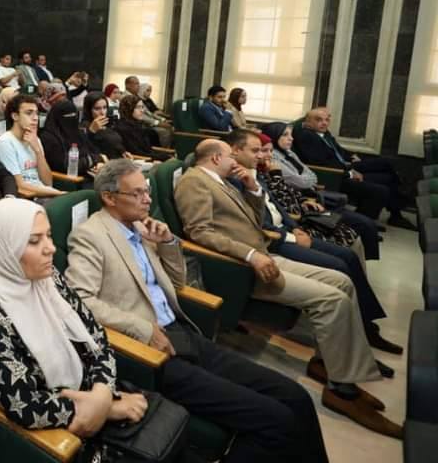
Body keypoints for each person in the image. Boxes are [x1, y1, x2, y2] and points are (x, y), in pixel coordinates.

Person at [67, 159, 330, 463]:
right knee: (275, 421)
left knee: (295, 396)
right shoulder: (91, 236)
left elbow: (178, 283)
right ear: (109, 197)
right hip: (150, 352)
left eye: (147, 191)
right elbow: (80, 301)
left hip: (183, 334)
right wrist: (142, 328)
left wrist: (167, 243)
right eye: (137, 193)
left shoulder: (140, 227)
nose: (148, 199)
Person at [174, 138, 400, 437]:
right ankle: (342, 391)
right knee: (332, 299)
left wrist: (253, 189)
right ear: (215, 158)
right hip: (243, 269)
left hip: (264, 253)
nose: (235, 161)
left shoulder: (223, 181)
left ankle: (328, 361)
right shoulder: (194, 182)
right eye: (230, 155)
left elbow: (254, 221)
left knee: (341, 281)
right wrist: (250, 255)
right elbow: (199, 232)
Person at [0, 198, 146, 453]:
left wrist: (103, 391)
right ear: (4, 249)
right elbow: (24, 404)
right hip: (63, 434)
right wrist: (105, 408)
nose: (51, 248)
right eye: (34, 241)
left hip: (97, 394)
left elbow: (97, 338)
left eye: (48, 236)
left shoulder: (48, 278)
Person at [231, 130, 400, 354]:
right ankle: (362, 327)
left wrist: (294, 227)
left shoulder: (256, 172)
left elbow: (281, 205)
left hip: (290, 227)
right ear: (235, 151)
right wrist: (292, 234)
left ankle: (363, 322)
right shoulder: (238, 179)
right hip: (275, 240)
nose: (262, 156)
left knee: (351, 248)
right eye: (257, 151)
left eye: (265, 151)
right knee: (341, 263)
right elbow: (259, 222)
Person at [263, 121, 381, 260]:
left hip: (309, 200)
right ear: (273, 137)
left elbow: (311, 175)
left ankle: (359, 264)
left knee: (364, 226)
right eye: (285, 135)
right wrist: (306, 184)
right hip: (303, 208)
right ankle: (353, 264)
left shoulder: (289, 153)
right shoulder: (273, 163)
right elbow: (301, 182)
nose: (291, 138)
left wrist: (307, 182)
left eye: (291, 134)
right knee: (362, 226)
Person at [293, 107, 411, 229]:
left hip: (344, 167)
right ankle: (365, 223)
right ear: (308, 122)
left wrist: (351, 156)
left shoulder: (323, 132)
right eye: (319, 120)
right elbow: (321, 163)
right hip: (335, 176)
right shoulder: (307, 136)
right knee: (383, 183)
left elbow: (337, 150)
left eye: (327, 120)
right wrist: (349, 172)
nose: (324, 123)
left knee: (388, 175)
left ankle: (388, 216)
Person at [0, 94, 64, 201]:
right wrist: (58, 193)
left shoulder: (35, 140)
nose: (35, 118)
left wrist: (37, 151)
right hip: (26, 199)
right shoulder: (5, 142)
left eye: (36, 113)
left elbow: (48, 182)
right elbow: (19, 185)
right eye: (29, 113)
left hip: (44, 194)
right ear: (15, 116)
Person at [39, 100, 106, 178]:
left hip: (91, 174)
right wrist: (94, 160)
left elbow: (94, 151)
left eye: (74, 115)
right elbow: (64, 165)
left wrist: (98, 163)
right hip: (69, 180)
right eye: (68, 116)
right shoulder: (48, 138)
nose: (72, 119)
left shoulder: (77, 132)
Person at [114, 94, 169, 160]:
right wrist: (164, 157)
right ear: (128, 109)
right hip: (139, 161)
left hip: (147, 157)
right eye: (138, 107)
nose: (142, 110)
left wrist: (165, 156)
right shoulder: (123, 128)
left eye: (142, 107)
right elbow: (137, 153)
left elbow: (147, 149)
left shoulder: (137, 124)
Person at [83, 93, 127, 159]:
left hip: (119, 160)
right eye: (97, 108)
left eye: (105, 107)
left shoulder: (108, 123)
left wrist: (123, 151)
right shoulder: (84, 127)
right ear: (89, 110)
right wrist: (91, 132)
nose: (102, 112)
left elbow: (115, 142)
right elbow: (86, 149)